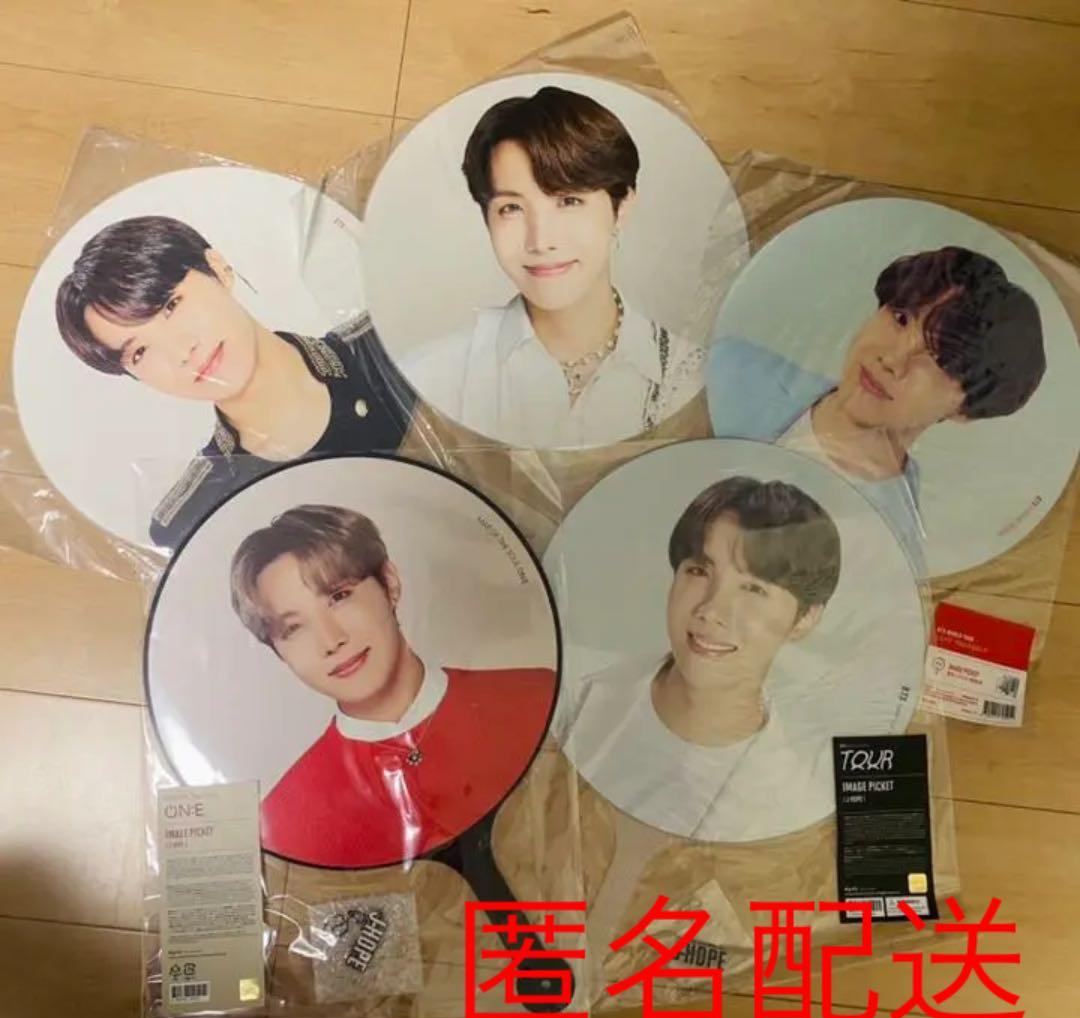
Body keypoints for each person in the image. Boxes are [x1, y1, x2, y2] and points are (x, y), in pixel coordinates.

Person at [55, 215, 417, 549]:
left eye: (171, 306)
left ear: (219, 269)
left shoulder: (390, 344)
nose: (182, 351)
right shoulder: (196, 518)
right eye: (140, 352)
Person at [229, 504, 556, 868]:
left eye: (339, 597)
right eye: (293, 628)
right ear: (277, 651)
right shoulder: (283, 820)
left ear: (390, 583)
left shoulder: (537, 695)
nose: (331, 640)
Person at [706, 246, 1047, 572]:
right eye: (900, 318)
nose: (892, 359)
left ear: (965, 409)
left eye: (939, 359)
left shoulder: (893, 547)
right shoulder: (728, 367)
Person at [400, 85, 704, 449]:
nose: (541, 240)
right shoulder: (435, 374)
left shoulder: (692, 377)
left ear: (621, 207)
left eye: (568, 201)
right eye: (511, 208)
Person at [561, 476, 843, 842]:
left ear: (805, 618)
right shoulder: (567, 688)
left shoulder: (794, 809)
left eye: (753, 588)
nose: (711, 609)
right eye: (698, 571)